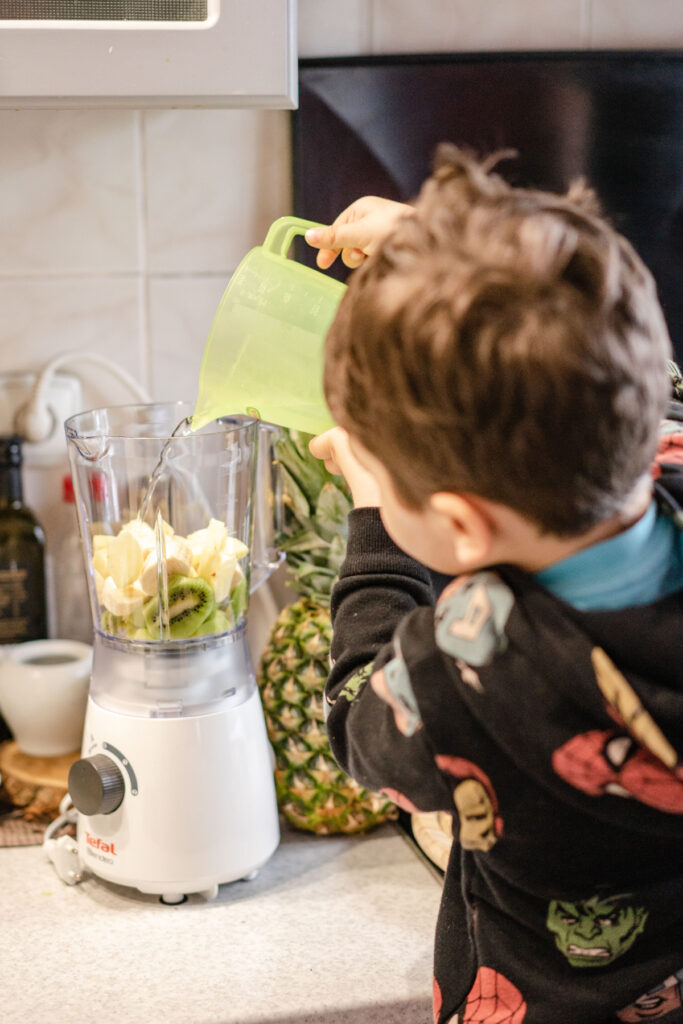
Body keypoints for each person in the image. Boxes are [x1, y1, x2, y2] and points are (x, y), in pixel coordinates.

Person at [304, 145, 683, 1024]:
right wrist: (445, 250)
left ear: (463, 529)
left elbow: (360, 718)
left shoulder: (468, 664)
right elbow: (627, 374)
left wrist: (372, 529)